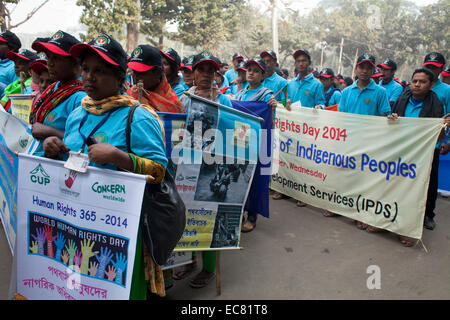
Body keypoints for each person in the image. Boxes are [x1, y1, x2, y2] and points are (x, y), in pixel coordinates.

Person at [43, 33, 168, 300]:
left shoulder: (138, 116)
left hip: (120, 229)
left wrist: (118, 157)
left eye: (100, 71)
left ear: (121, 77)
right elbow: (71, 159)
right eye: (86, 69)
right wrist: (53, 148)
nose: (89, 77)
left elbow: (159, 172)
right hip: (74, 222)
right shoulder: (78, 112)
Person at [175, 51, 232, 289]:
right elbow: (176, 127)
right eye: (201, 69)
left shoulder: (225, 101)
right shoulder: (184, 99)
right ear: (193, 72)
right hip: (186, 165)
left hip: (213, 166)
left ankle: (209, 268)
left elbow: (234, 134)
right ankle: (189, 260)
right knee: (186, 215)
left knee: (208, 215)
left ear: (217, 74)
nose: (206, 74)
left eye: (211, 70)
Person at [389, 68, 449, 244]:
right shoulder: (401, 100)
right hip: (400, 152)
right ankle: (386, 220)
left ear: (431, 85)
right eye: (415, 81)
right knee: (394, 186)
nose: (417, 84)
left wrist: (443, 127)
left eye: (422, 81)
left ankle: (407, 228)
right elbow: (390, 127)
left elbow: (438, 136)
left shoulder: (437, 105)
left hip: (423, 155)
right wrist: (391, 119)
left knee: (415, 190)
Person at [337, 53, 391, 230]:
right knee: (347, 175)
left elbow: (384, 117)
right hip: (349, 142)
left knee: (365, 180)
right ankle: (340, 207)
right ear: (356, 68)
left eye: (369, 67)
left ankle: (361, 213)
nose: (365, 71)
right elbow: (341, 118)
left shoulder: (380, 92)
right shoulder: (345, 92)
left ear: (374, 69)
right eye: (362, 67)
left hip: (369, 144)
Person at [273, 49, 325, 206]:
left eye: (303, 61)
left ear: (309, 63)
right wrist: (284, 104)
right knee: (288, 158)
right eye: (298, 61)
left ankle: (302, 194)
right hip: (290, 129)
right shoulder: (291, 84)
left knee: (304, 162)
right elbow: (283, 102)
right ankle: (284, 188)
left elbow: (322, 103)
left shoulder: (316, 84)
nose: (301, 63)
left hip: (307, 130)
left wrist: (319, 107)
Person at [233, 57, 277, 232]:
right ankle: (238, 212)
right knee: (239, 175)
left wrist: (274, 107)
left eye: (256, 70)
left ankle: (252, 215)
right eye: (249, 69)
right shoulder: (240, 93)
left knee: (255, 177)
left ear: (262, 75)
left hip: (258, 141)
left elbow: (273, 116)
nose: (251, 73)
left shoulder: (266, 94)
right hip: (240, 139)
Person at [29, 31, 86, 157]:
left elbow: (84, 143)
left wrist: (48, 131)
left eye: (57, 58)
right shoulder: (54, 88)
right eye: (49, 57)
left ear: (75, 62)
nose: (50, 63)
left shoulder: (82, 97)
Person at [127, 44, 182, 113]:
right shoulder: (129, 96)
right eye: (134, 71)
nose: (136, 76)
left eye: (142, 72)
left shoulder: (173, 104)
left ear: (158, 72)